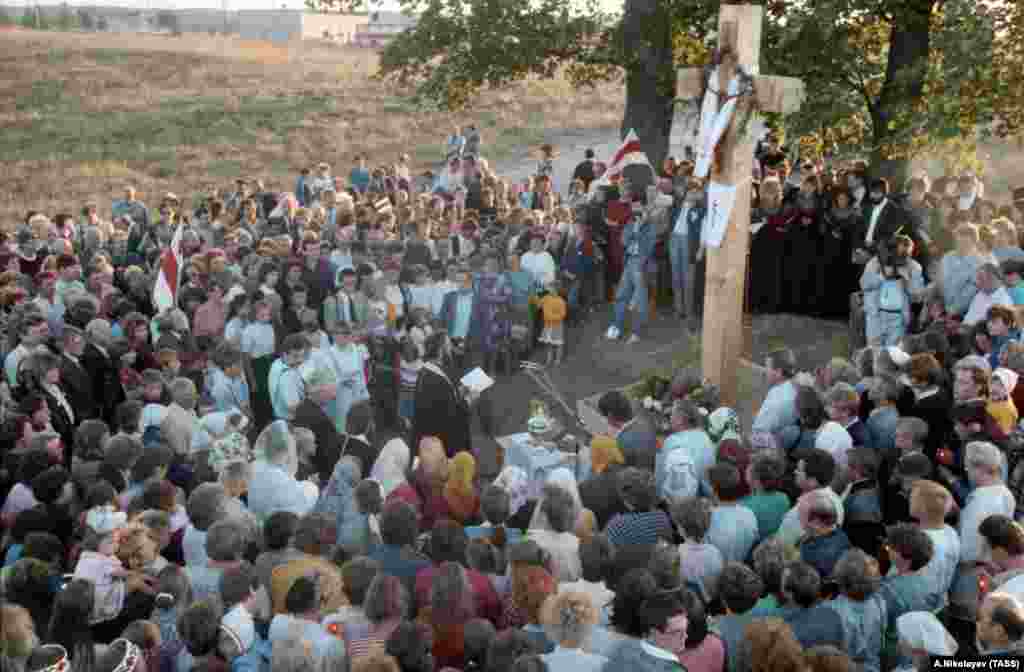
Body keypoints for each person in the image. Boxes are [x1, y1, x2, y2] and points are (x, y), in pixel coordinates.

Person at [411, 332, 472, 459]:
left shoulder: (429, 371)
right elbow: (451, 417)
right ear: (440, 350)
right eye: (448, 345)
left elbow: (443, 401)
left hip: (430, 439)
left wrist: (458, 392)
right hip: (440, 446)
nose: (451, 349)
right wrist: (468, 400)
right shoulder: (435, 378)